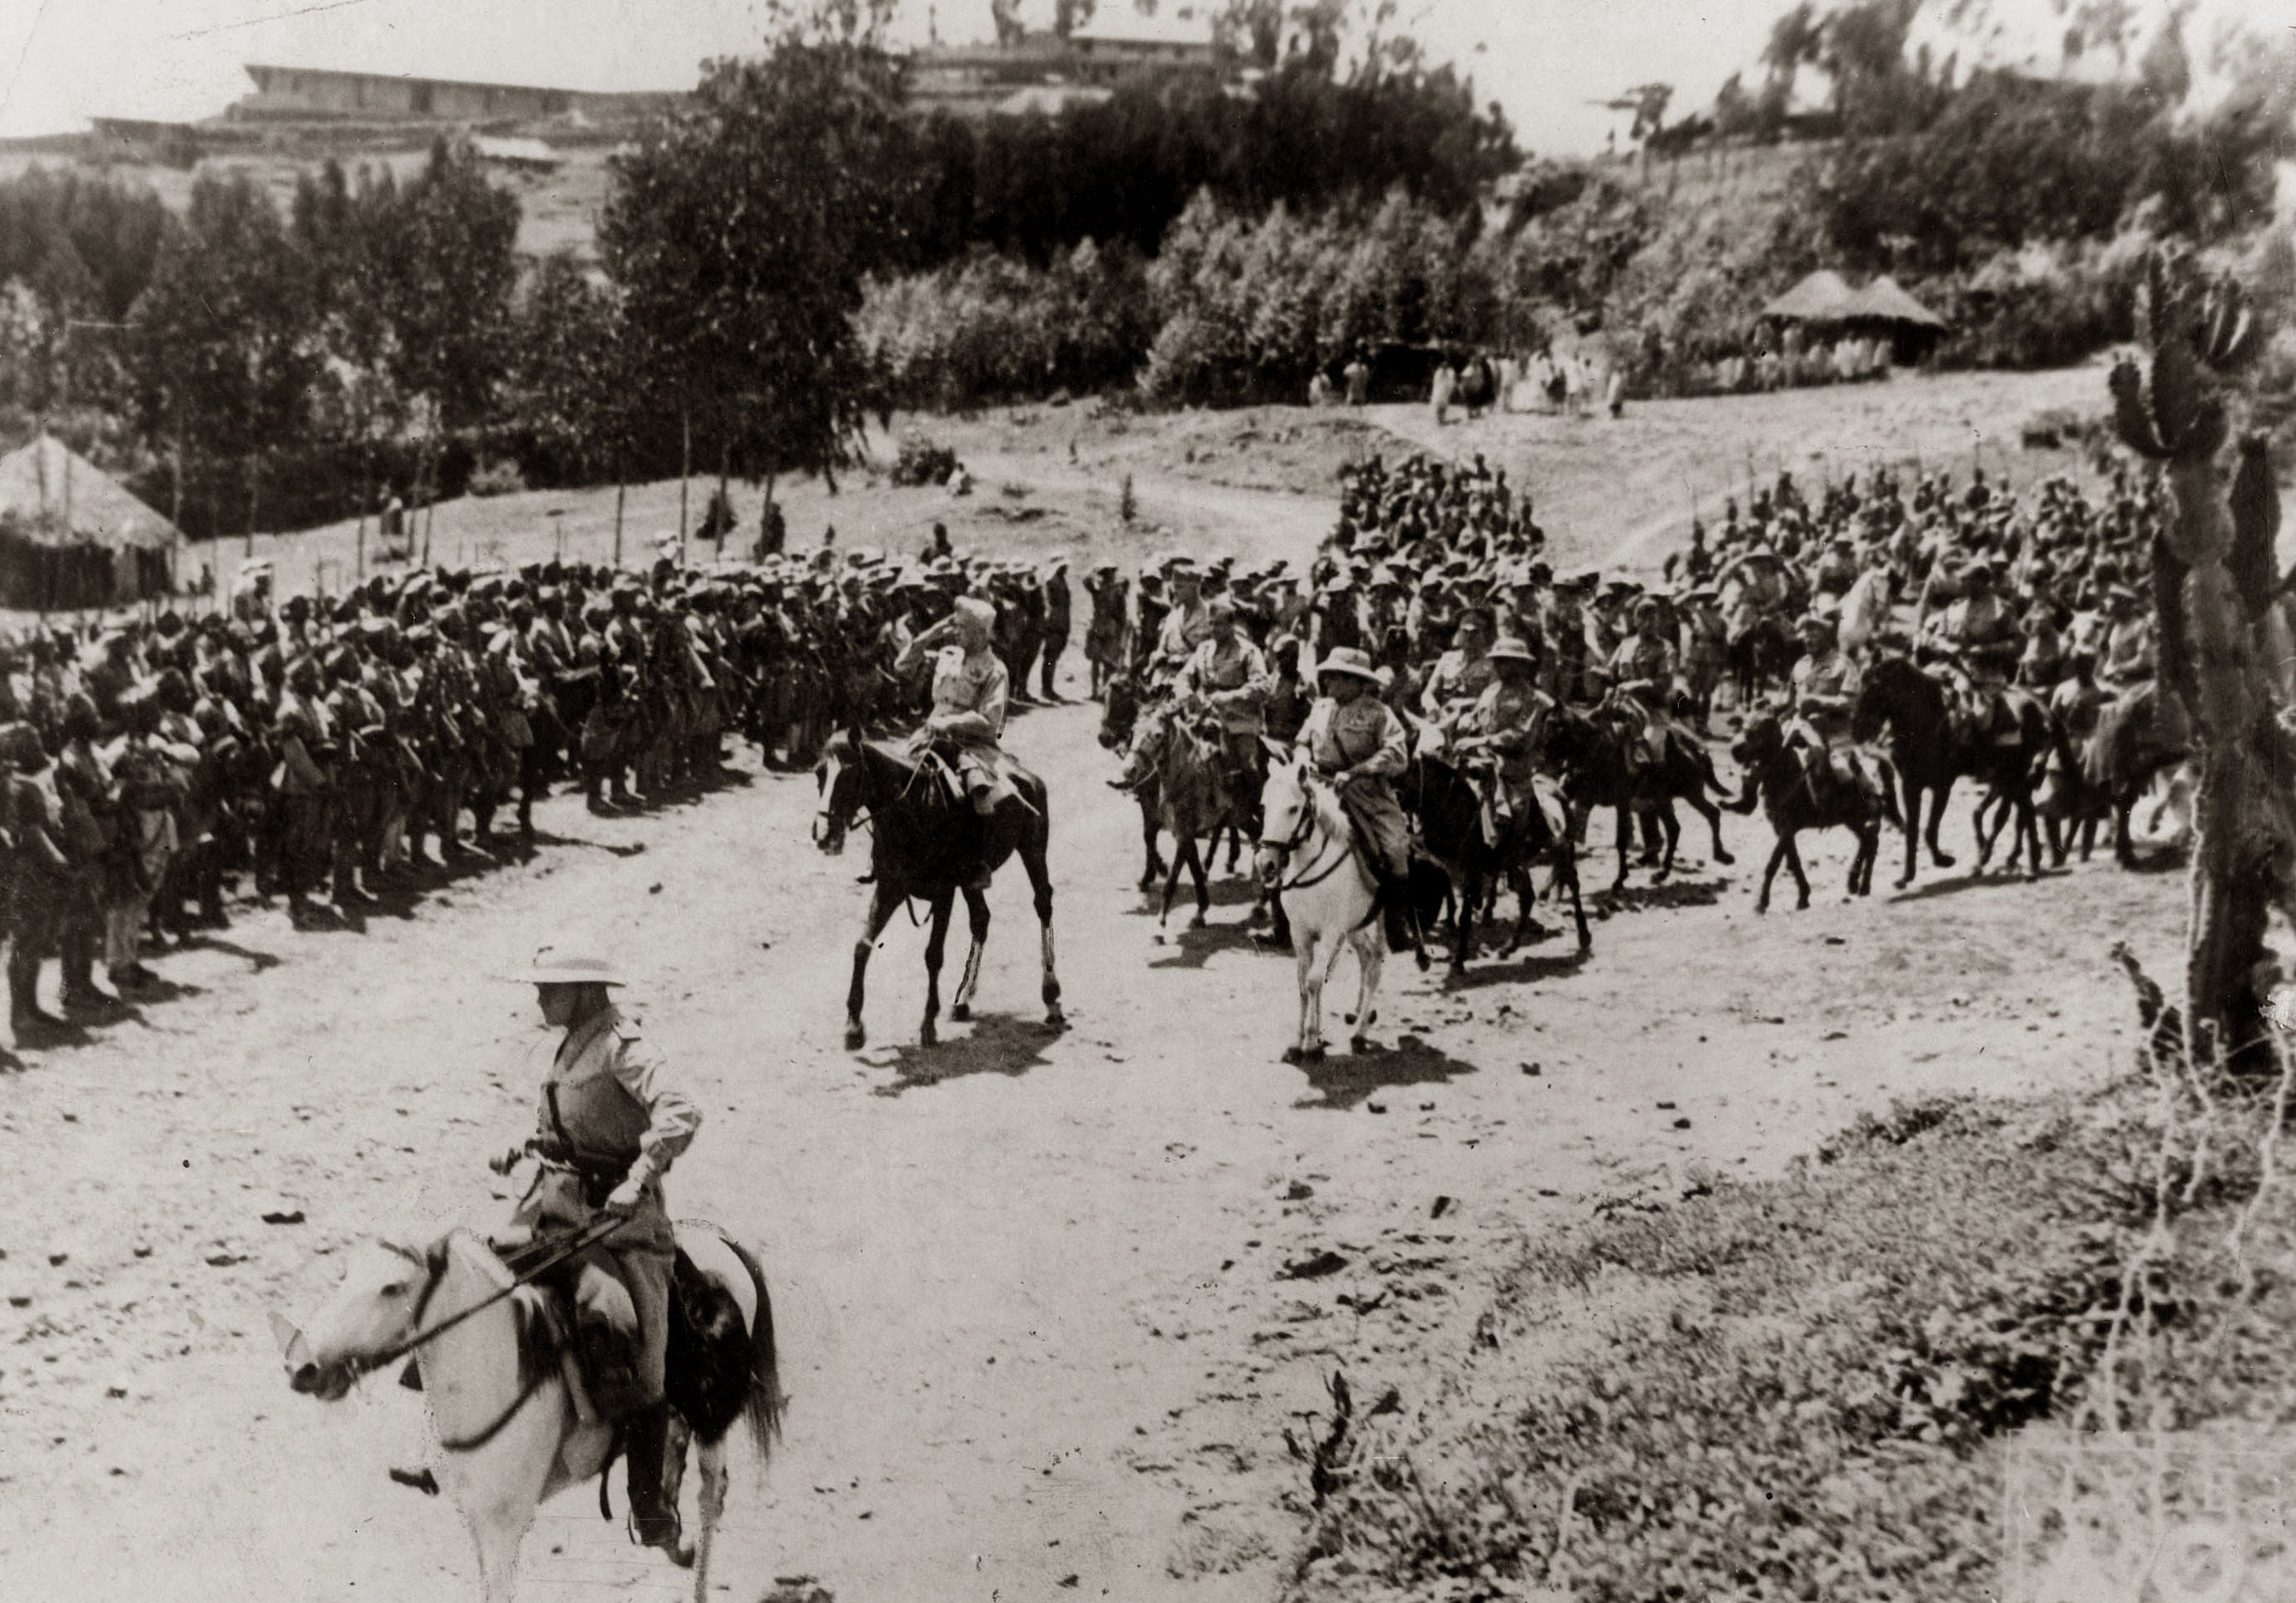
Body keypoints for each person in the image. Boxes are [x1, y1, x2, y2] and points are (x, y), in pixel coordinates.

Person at [500, 942, 699, 1558]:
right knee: (478, 1281)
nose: (538, 997)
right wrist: (526, 1146)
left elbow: (682, 1110)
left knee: (636, 1344)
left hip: (619, 1226)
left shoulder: (624, 1045)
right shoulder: (564, 1043)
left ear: (586, 990)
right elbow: (566, 1122)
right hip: (554, 1209)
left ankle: (651, 1497)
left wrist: (637, 1178)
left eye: (549, 987)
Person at [1293, 646, 1413, 946]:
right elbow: (1302, 741)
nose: (1329, 682)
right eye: (1329, 675)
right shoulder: (1320, 708)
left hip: (1366, 793)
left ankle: (1397, 923)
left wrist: (1359, 771)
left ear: (1356, 681)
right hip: (1320, 788)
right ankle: (1285, 918)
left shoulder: (1378, 713)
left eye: (1337, 676)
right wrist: (1303, 760)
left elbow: (1397, 753)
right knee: (1283, 835)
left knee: (1395, 848)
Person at [895, 593, 1012, 827]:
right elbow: (902, 666)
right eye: (955, 626)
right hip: (928, 736)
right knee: (891, 777)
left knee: (978, 792)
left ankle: (977, 858)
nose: (956, 632)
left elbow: (990, 721)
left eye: (963, 628)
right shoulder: (948, 656)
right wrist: (930, 635)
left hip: (969, 745)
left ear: (981, 633)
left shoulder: (995, 670)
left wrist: (949, 723)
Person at [1784, 608, 1868, 809]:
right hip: (1801, 725)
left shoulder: (1841, 664)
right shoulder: (1800, 666)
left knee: (1842, 769)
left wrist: (1818, 701)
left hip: (1834, 729)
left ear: (1828, 637)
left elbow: (1850, 702)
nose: (1808, 640)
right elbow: (1790, 702)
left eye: (1814, 635)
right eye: (1805, 635)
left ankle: (1862, 810)